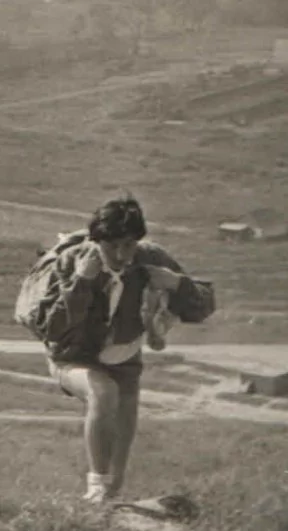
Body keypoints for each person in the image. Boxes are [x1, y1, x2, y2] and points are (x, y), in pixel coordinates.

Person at [41, 195, 215, 502]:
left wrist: (178, 284)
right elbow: (51, 328)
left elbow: (203, 307)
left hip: (125, 364)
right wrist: (81, 283)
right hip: (73, 358)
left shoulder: (150, 258)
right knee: (103, 392)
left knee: (117, 476)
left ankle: (106, 498)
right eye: (112, 246)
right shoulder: (74, 261)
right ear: (97, 242)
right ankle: (93, 485)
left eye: (129, 245)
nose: (122, 255)